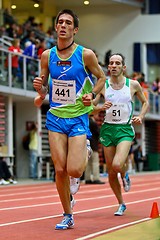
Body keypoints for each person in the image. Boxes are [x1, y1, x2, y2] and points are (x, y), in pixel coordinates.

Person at [33, 9, 106, 230]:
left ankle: (85, 147)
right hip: (55, 116)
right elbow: (44, 88)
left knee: (74, 170)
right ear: (56, 27)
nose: (63, 25)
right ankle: (68, 213)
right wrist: (40, 88)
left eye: (68, 23)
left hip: (77, 117)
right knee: (60, 170)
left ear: (74, 29)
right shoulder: (47, 56)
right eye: (60, 22)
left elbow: (101, 78)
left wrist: (92, 95)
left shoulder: (86, 55)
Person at [93, 53, 149, 216]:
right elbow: (92, 106)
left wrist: (140, 116)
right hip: (108, 129)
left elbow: (145, 102)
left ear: (123, 67)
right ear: (108, 67)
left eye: (117, 63)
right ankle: (121, 203)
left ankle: (124, 175)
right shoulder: (103, 85)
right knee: (111, 171)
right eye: (111, 63)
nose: (114, 65)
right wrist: (100, 108)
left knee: (117, 165)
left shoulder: (133, 84)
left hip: (124, 129)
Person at [85, 113, 105, 184]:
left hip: (86, 144)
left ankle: (87, 178)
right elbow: (98, 132)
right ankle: (96, 178)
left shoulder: (86, 121)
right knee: (95, 162)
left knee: (88, 163)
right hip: (93, 145)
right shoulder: (93, 122)